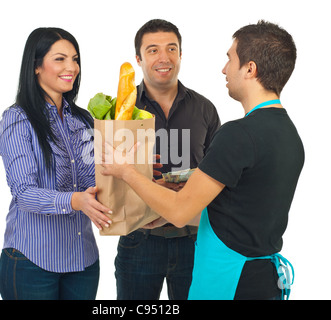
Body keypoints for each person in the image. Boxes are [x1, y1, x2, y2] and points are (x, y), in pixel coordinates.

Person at [102, 20, 304, 300]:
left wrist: (127, 172)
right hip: (262, 279)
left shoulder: (238, 133)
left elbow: (180, 211)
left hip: (228, 283)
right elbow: (235, 209)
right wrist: (162, 215)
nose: (224, 69)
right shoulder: (289, 133)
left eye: (230, 59)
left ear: (250, 68)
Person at [0, 27, 112, 300]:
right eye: (60, 59)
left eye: (75, 59)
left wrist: (129, 168)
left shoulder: (83, 120)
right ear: (36, 66)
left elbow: (91, 183)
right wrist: (75, 201)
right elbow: (24, 193)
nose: (71, 67)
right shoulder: (18, 119)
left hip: (82, 261)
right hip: (32, 262)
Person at [114, 19, 221, 300]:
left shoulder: (205, 109)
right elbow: (105, 174)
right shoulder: (120, 113)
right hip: (139, 241)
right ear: (138, 58)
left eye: (171, 49)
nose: (164, 58)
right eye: (152, 50)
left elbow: (219, 177)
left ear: (181, 54)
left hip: (195, 241)